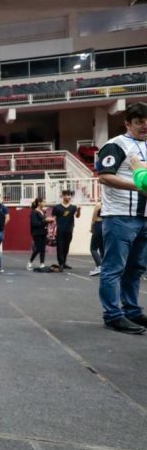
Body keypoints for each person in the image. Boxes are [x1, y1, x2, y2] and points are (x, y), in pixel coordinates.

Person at [96, 101, 147, 334]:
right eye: (139, 122)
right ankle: (113, 315)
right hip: (120, 216)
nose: (144, 126)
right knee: (114, 268)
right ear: (128, 123)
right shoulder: (115, 145)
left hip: (144, 218)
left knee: (135, 268)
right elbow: (104, 177)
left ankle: (132, 311)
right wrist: (139, 187)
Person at [52, 190, 80, 272]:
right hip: (60, 230)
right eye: (67, 195)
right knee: (60, 247)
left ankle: (64, 262)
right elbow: (53, 218)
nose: (69, 197)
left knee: (66, 247)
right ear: (63, 196)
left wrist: (79, 210)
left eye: (70, 195)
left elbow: (77, 216)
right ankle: (60, 263)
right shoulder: (57, 207)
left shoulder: (73, 207)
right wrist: (52, 228)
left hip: (69, 229)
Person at [28, 198, 52, 271]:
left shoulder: (42, 212)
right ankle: (30, 262)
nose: (45, 203)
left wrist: (48, 221)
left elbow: (43, 222)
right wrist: (45, 220)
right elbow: (34, 223)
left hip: (43, 232)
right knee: (38, 248)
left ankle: (42, 264)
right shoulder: (34, 212)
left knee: (43, 249)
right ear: (39, 203)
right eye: (43, 202)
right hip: (36, 232)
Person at [89, 201, 103, 276]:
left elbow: (94, 217)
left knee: (93, 248)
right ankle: (104, 266)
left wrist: (92, 227)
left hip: (98, 224)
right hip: (106, 225)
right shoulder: (110, 204)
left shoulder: (99, 205)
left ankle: (99, 266)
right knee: (102, 247)